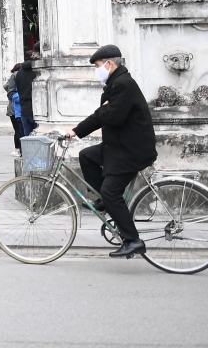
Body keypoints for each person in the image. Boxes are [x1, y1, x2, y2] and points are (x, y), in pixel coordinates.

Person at [66, 44, 158, 259]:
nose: (96, 70)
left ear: (109, 64)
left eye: (98, 66)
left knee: (111, 191)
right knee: (86, 156)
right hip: (119, 145)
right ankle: (105, 202)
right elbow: (102, 116)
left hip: (131, 150)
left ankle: (133, 240)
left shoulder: (123, 84)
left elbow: (113, 117)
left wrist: (105, 108)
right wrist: (76, 132)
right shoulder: (115, 83)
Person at [5, 62, 24, 157]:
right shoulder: (15, 76)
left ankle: (18, 149)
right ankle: (18, 149)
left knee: (18, 129)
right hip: (15, 107)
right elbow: (10, 91)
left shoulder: (14, 76)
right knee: (18, 129)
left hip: (14, 107)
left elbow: (7, 88)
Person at [16, 58, 37, 137]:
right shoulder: (38, 70)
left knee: (27, 137)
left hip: (24, 108)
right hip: (37, 109)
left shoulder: (19, 72)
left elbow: (18, 89)